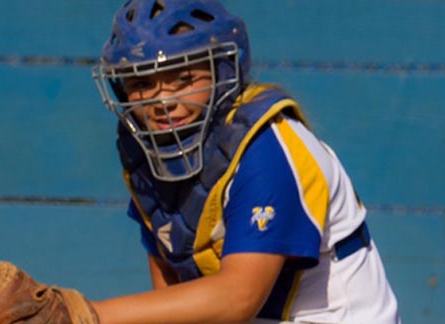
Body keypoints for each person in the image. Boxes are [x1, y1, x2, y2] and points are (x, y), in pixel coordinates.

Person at [91, 0, 401, 323]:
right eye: (142, 83)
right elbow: (169, 300)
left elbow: (239, 298)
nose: (163, 101)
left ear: (221, 69)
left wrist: (83, 314)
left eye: (183, 78)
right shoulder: (148, 154)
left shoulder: (265, 148)